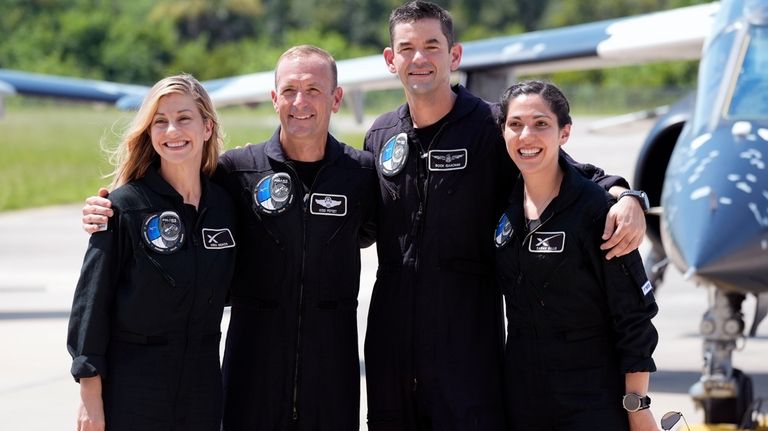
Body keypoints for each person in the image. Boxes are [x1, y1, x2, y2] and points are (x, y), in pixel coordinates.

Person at [362, 1, 649, 430]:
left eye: (431, 46)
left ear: (454, 56)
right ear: (390, 59)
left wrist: (628, 196)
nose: (419, 58)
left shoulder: (492, 127)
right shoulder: (381, 136)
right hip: (392, 347)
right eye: (406, 48)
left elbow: (567, 170)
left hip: (467, 347)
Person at [81, 45, 377, 431]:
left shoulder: (362, 175)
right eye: (289, 90)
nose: (299, 102)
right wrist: (109, 207)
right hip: (249, 376)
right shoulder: (236, 174)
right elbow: (173, 179)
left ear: (336, 99)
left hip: (331, 374)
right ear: (274, 99)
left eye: (313, 90)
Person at [67, 74, 237, 431]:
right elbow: (91, 306)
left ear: (207, 127)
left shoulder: (226, 205)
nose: (172, 131)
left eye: (183, 118)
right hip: (134, 388)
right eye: (160, 121)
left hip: (202, 387)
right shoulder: (123, 207)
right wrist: (90, 398)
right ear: (149, 132)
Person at [494, 80, 658, 431]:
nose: (527, 136)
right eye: (515, 124)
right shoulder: (501, 206)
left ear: (564, 133)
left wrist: (637, 404)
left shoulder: (598, 211)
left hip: (591, 398)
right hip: (522, 396)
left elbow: (633, 316)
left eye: (541, 124)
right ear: (503, 132)